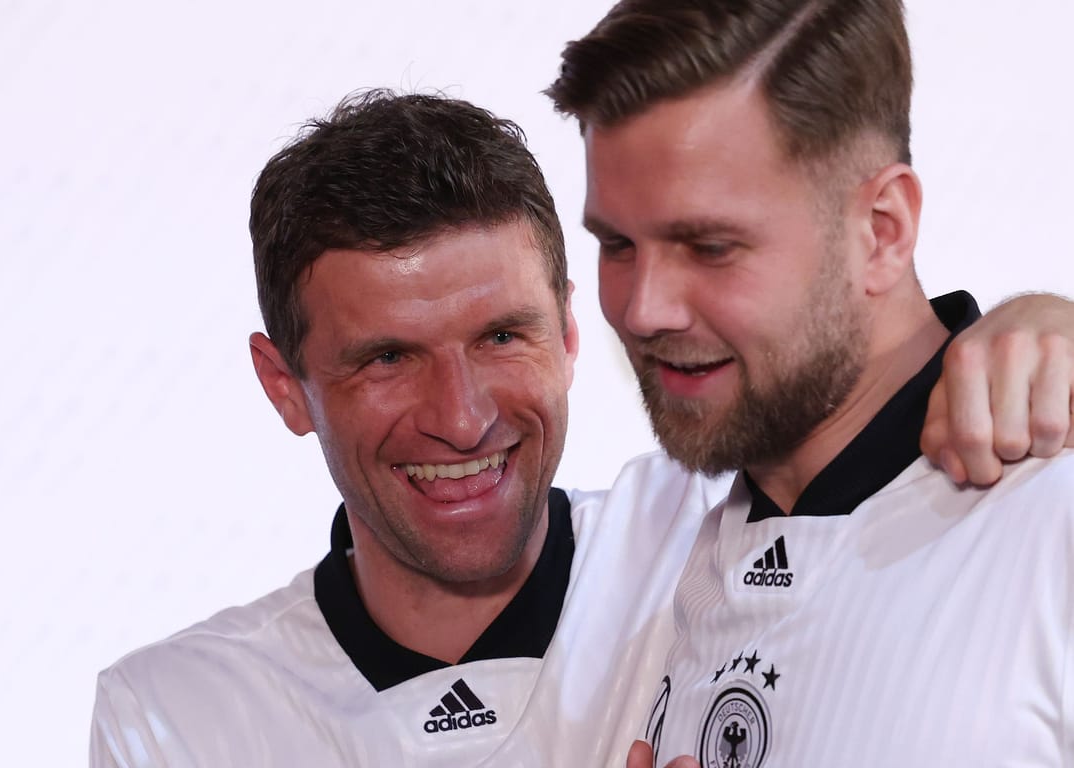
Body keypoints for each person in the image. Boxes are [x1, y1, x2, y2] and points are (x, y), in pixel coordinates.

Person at [90, 86, 1071, 765]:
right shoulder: (180, 719)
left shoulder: (698, 536)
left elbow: (856, 391)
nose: (462, 417)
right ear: (285, 385)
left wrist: (1041, 327)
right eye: (387, 357)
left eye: (501, 335)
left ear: (567, 329)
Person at [547, 0, 1074, 765]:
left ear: (882, 230)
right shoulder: (659, 554)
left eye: (710, 246)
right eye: (617, 243)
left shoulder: (1052, 522)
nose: (641, 308)